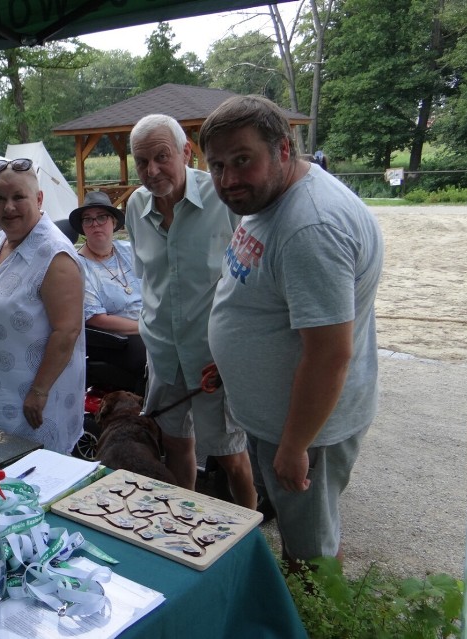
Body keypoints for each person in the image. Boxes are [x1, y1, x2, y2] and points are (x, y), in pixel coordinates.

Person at [201, 95, 384, 566]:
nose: (228, 180)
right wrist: (230, 362)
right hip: (279, 418)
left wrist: (295, 445)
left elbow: (329, 356)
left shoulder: (310, 227)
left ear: (283, 150)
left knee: (311, 550)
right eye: (217, 165)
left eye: (242, 160)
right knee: (299, 530)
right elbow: (258, 296)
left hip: (305, 429)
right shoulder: (269, 197)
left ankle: (314, 624)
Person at [126, 113, 257, 504]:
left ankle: (247, 531)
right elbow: (149, 281)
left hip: (211, 359)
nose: (152, 170)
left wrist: (234, 352)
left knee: (231, 455)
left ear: (186, 152)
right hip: (164, 354)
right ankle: (186, 523)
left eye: (162, 157)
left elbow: (252, 286)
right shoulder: (135, 207)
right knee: (176, 445)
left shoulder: (223, 201)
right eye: (142, 161)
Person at [0, 158, 85, 454]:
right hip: (2, 396)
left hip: (36, 407)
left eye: (19, 197)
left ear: (39, 198)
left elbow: (67, 330)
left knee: (35, 480)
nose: (8, 207)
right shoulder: (1, 242)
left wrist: (39, 391)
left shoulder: (54, 255)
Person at [68, 191, 147, 390]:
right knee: (159, 355)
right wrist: (148, 327)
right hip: (118, 339)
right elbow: (96, 319)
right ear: (83, 228)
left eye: (101, 217)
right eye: (88, 220)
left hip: (152, 322)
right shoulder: (78, 266)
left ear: (113, 222)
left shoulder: (129, 249)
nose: (95, 224)